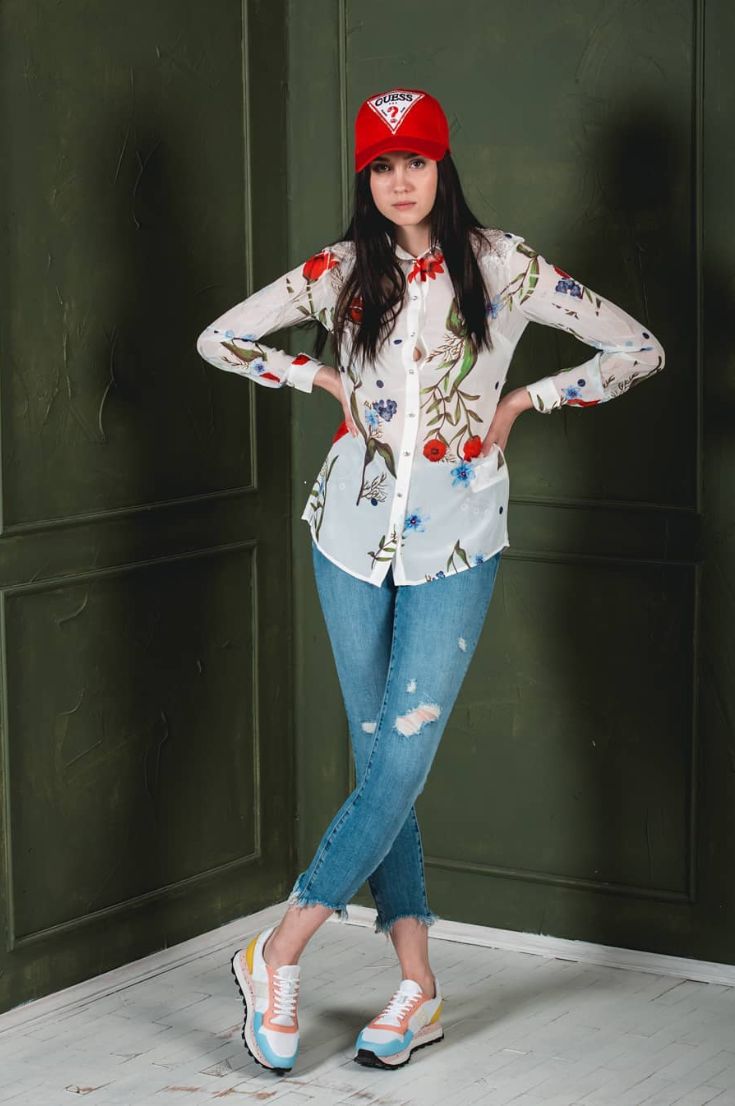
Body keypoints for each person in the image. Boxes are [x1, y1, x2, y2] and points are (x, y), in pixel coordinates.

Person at [196, 86, 665, 1075]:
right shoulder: (339, 272)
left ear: (442, 165)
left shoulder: (503, 264)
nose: (399, 179)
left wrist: (528, 400)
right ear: (365, 178)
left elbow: (638, 349)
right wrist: (319, 378)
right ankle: (418, 985)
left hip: (458, 539)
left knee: (400, 761)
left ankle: (277, 949)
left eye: (415, 160)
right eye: (382, 165)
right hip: (347, 534)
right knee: (382, 764)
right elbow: (219, 337)